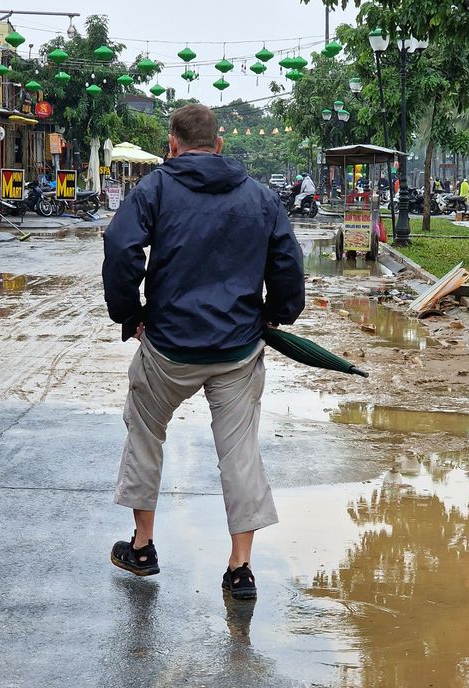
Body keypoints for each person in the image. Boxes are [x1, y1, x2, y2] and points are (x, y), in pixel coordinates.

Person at [102, 103, 305, 598]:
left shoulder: (152, 189)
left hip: (167, 349)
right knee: (239, 452)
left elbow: (121, 247)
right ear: (219, 145)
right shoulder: (260, 196)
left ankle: (143, 545)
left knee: (146, 430)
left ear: (172, 144)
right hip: (237, 350)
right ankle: (240, 569)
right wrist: (278, 315)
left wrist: (130, 316)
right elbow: (287, 261)